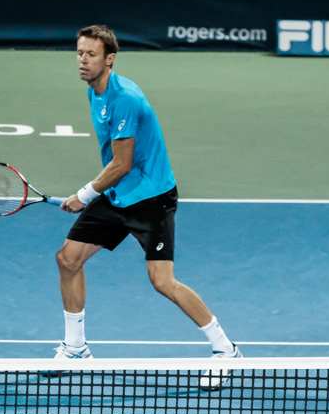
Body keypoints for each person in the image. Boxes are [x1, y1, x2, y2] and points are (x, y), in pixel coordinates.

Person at [55, 25, 239, 389]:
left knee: (162, 282)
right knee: (68, 259)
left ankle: (226, 350)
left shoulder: (125, 99)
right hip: (119, 193)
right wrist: (97, 193)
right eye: (79, 53)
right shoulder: (96, 92)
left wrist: (84, 194)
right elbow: (117, 165)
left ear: (110, 59)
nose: (83, 61)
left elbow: (122, 163)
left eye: (91, 54)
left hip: (151, 199)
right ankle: (75, 348)